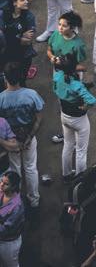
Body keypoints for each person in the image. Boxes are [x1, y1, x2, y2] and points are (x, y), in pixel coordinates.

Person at [0, 64, 42, 215]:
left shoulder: (1, 98)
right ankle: (34, 201)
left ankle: (16, 200)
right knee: (31, 168)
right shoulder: (32, 95)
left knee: (15, 169)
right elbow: (38, 118)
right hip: (29, 137)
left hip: (11, 141)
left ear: (5, 78)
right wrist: (29, 137)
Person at [53, 55, 95, 181]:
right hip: (79, 120)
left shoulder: (57, 77)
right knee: (81, 151)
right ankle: (80, 180)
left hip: (64, 116)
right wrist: (85, 107)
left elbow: (57, 89)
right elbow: (91, 100)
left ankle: (66, 175)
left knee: (68, 144)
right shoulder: (76, 85)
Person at [0, 170, 25, 267]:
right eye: (1, 181)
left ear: (14, 187)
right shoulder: (2, 192)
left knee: (10, 264)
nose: (1, 185)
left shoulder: (16, 206)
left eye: (6, 184)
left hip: (8, 243)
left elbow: (6, 228)